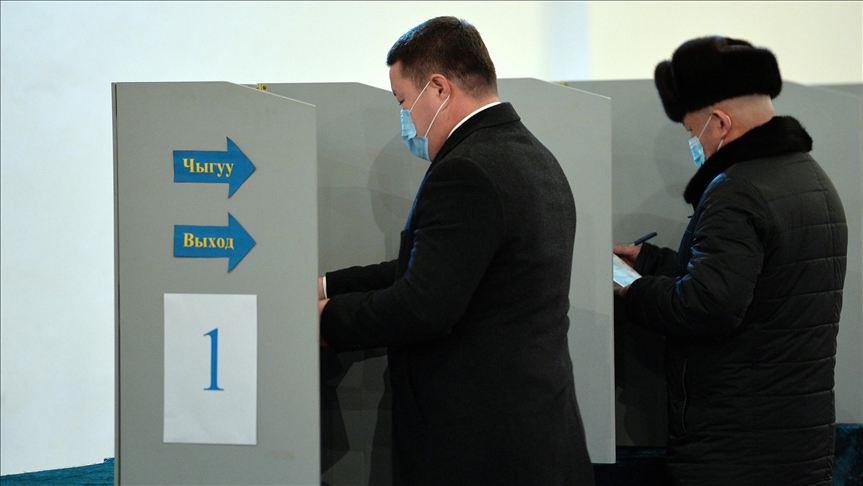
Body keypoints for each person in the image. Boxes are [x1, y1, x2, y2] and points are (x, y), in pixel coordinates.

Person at [317, 16, 594, 486]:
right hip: (535, 438)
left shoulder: (467, 169)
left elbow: (422, 305)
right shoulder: (531, 155)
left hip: (482, 449)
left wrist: (326, 319)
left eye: (403, 101)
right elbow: (434, 266)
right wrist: (327, 286)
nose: (405, 117)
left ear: (439, 88)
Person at [614, 36, 848, 486]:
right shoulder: (811, 178)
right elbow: (756, 282)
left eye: (691, 130)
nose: (692, 142)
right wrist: (655, 262)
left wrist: (631, 287)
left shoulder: (736, 190)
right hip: (797, 442)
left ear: (720, 122)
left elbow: (707, 306)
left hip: (735, 449)